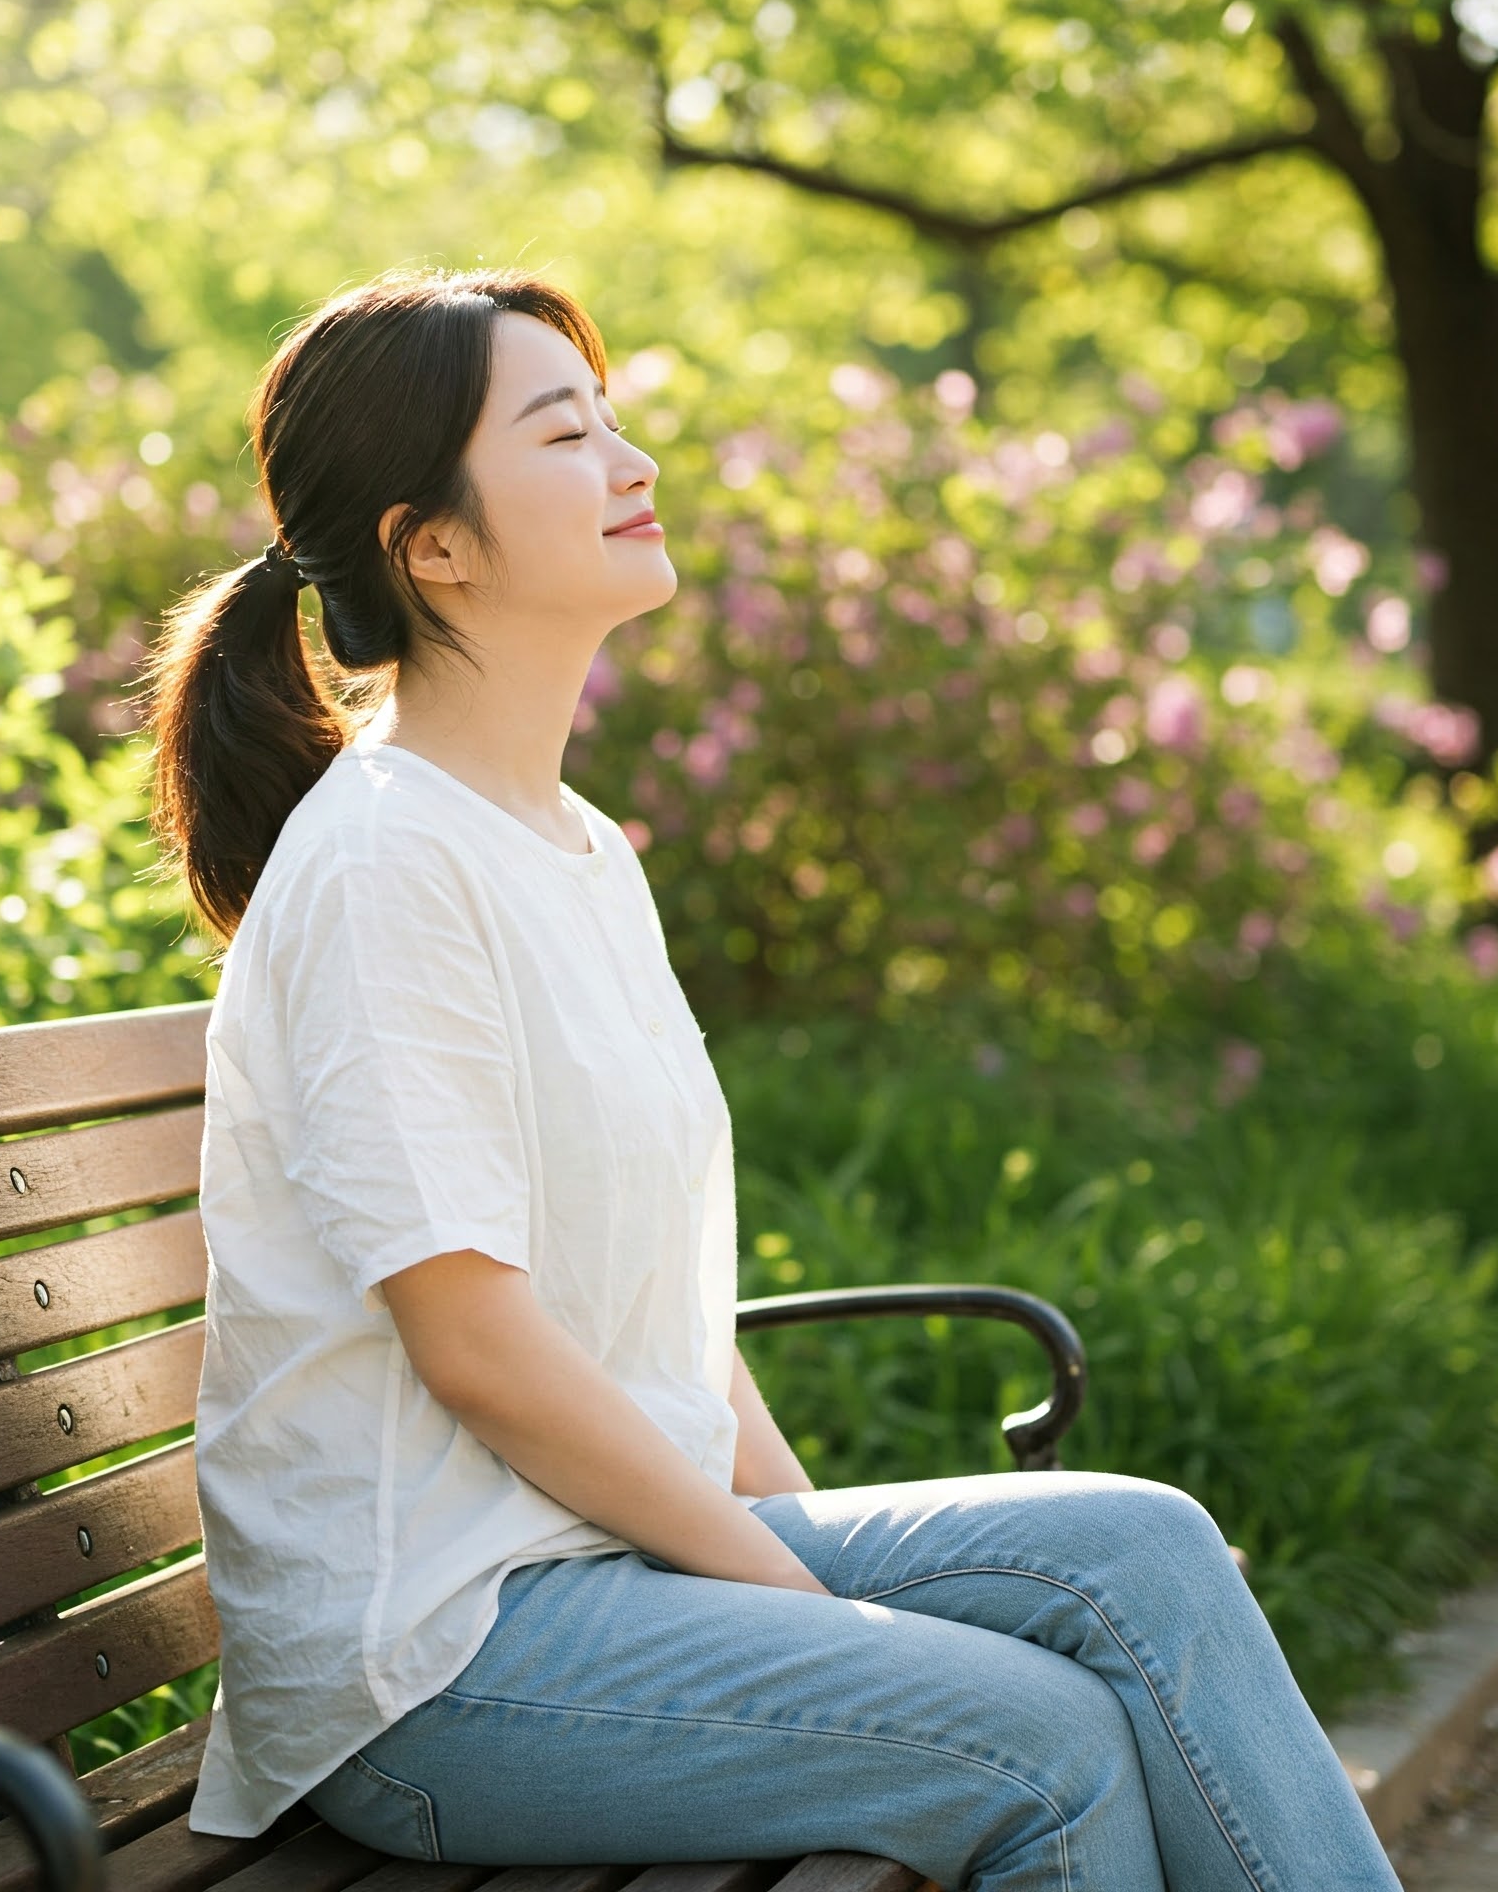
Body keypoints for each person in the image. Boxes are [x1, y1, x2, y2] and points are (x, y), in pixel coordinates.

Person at [145, 264, 1403, 1890]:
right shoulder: (390, 861)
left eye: (611, 419)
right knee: (1041, 1740)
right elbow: (479, 1349)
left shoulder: (575, 846)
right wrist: (808, 1604)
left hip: (590, 1571)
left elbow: (645, 1307)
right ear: (431, 542)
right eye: (563, 432)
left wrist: (830, 1571)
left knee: (1141, 1549)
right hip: (440, 1661)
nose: (632, 462)